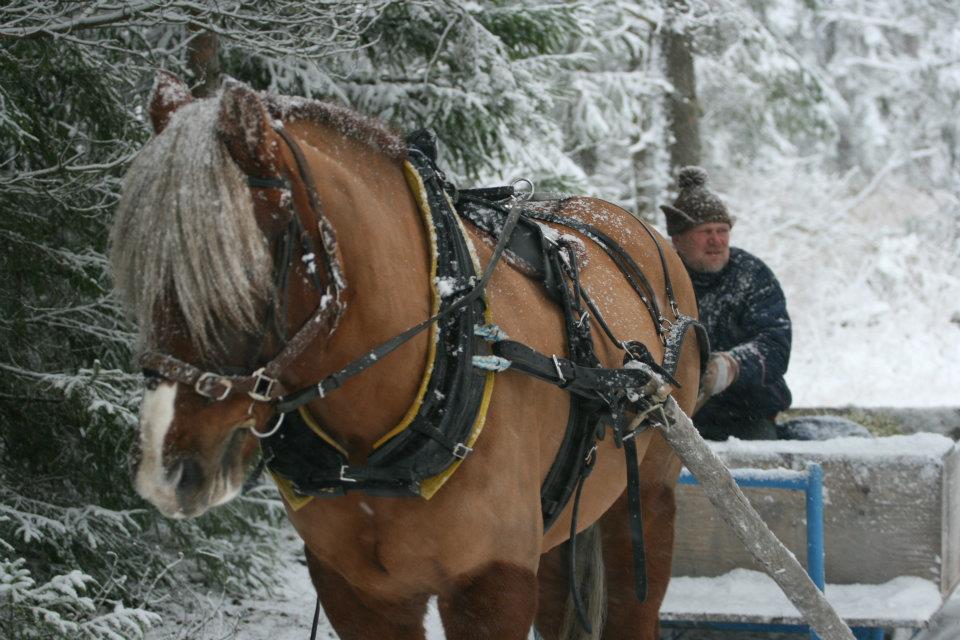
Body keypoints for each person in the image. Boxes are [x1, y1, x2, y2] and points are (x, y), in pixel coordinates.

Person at [660, 166, 792, 440]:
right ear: (678, 239)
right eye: (705, 231)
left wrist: (733, 366)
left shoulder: (752, 275)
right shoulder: (660, 280)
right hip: (672, 421)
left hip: (746, 417)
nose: (717, 241)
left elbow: (776, 344)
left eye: (722, 230)